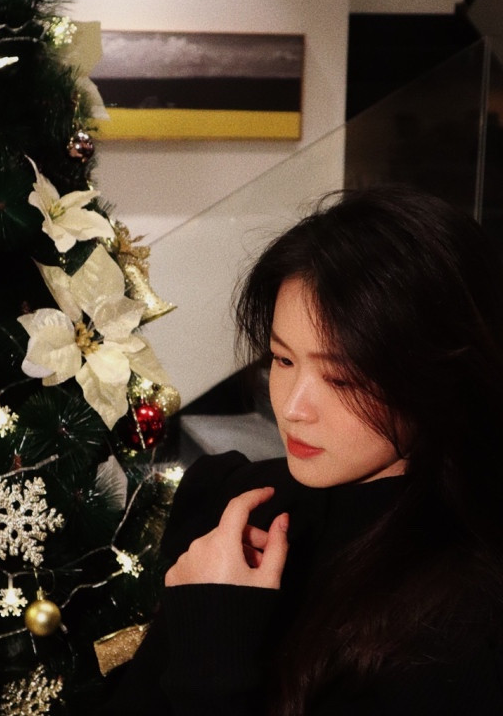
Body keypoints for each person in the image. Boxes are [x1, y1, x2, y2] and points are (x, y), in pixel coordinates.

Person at [101, 185, 503, 715]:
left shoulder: (468, 611)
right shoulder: (239, 504)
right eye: (283, 360)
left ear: (436, 375)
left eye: (342, 378)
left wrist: (211, 654)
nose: (292, 408)